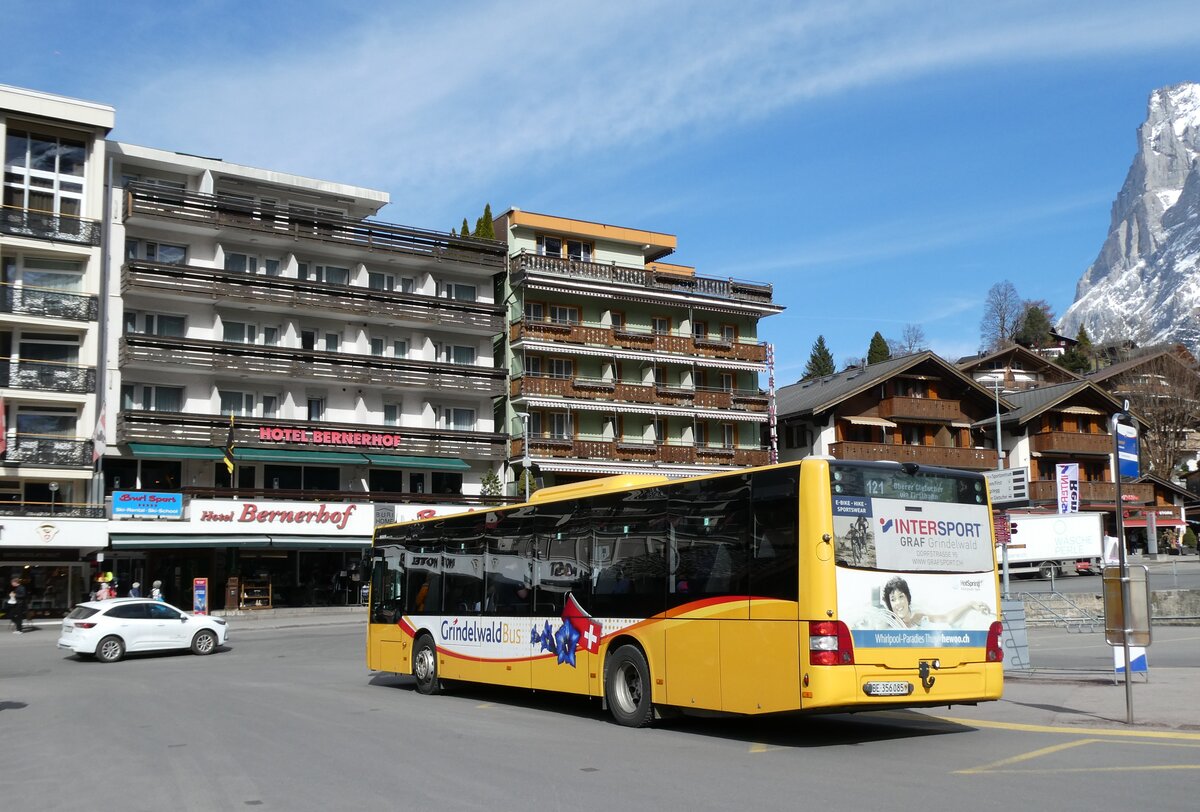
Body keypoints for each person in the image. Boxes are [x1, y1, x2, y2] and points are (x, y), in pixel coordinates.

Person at [881, 576, 990, 629]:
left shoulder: (917, 618)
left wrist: (970, 605)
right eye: (893, 599)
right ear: (889, 604)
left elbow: (947, 618)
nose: (898, 603)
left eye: (901, 597)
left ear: (907, 598)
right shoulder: (888, 625)